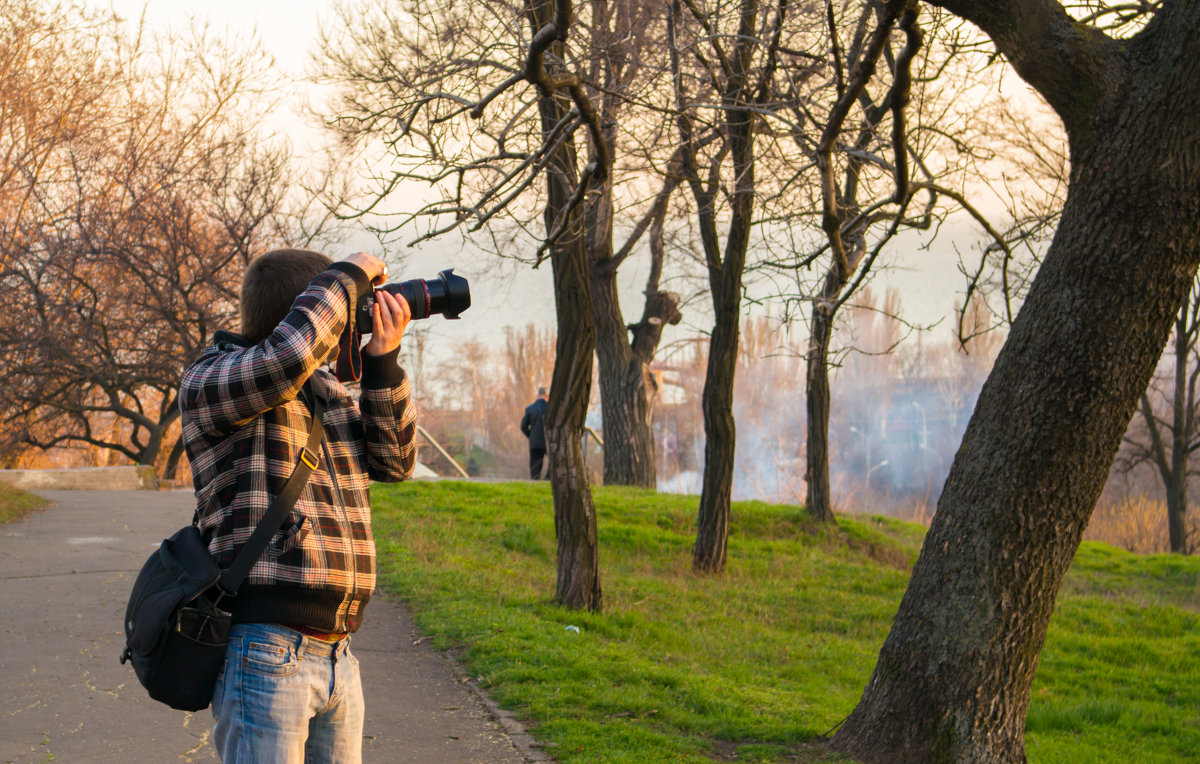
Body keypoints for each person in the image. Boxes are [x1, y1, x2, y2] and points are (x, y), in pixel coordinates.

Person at [178, 248, 417, 763]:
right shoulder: (213, 379)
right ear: (314, 310)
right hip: (264, 649)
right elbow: (285, 360)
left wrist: (382, 361)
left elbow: (396, 460)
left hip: (338, 654)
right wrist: (348, 275)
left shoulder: (328, 394)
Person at [520, 387, 549, 480]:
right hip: (548, 441)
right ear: (547, 396)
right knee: (553, 461)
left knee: (535, 465)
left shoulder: (530, 409)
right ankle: (548, 479)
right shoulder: (550, 408)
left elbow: (523, 426)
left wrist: (530, 435)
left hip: (535, 442)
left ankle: (535, 482)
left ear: (537, 395)